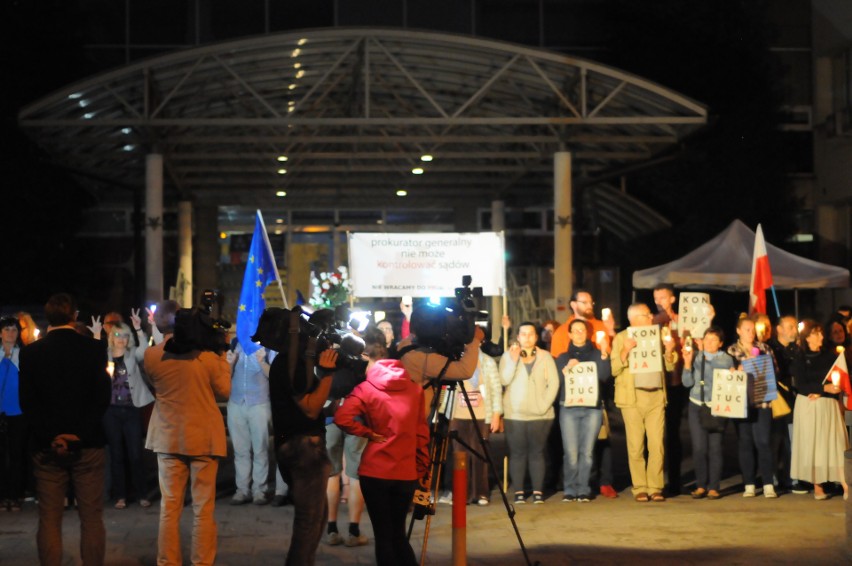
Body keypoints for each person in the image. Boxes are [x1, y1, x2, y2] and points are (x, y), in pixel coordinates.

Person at [18, 293, 112, 566]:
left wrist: (52, 436)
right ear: (75, 315)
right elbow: (100, 399)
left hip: (47, 446)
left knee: (49, 518)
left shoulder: (31, 352)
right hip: (88, 444)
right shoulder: (93, 349)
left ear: (47, 318)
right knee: (92, 517)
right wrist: (78, 434)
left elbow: (28, 402)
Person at [144, 300, 231, 566]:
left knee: (169, 508)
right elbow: (224, 391)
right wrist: (222, 353)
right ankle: (202, 562)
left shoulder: (152, 356)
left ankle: (167, 561)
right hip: (203, 438)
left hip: (168, 437)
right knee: (203, 509)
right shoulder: (207, 358)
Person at [334, 329, 429, 566]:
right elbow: (422, 434)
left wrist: (367, 433)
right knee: (398, 534)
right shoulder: (415, 389)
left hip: (375, 471)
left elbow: (342, 417)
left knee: (383, 537)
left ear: (367, 358)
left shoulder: (366, 389)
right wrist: (421, 469)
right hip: (405, 472)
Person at [268, 308, 339, 566]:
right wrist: (329, 375)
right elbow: (309, 408)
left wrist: (332, 407)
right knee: (308, 521)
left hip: (298, 444)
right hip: (303, 450)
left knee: (316, 518)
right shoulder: (290, 364)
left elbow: (311, 407)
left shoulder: (289, 362)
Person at [549, 289, 617, 498]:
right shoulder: (561, 350)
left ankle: (585, 488)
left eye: (582, 331)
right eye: (575, 331)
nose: (579, 333)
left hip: (593, 405)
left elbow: (605, 374)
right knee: (571, 453)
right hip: (568, 406)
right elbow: (556, 377)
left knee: (588, 452)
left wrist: (605, 351)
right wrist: (566, 368)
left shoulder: (597, 346)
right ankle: (570, 489)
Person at [611, 303, 677, 502]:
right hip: (632, 398)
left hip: (656, 396)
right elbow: (614, 368)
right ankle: (640, 487)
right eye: (648, 315)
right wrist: (625, 350)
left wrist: (669, 350)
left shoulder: (658, 335)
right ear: (635, 318)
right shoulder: (622, 337)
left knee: (656, 445)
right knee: (635, 445)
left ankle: (655, 487)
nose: (651, 318)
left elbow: (669, 365)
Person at [499, 321, 559, 504]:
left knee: (537, 453)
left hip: (541, 415)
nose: (527, 337)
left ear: (536, 337)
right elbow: (504, 379)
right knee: (517, 453)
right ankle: (518, 492)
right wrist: (513, 360)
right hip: (514, 414)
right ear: (517, 337)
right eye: (523, 334)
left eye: (531, 334)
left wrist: (543, 405)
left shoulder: (545, 356)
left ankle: (538, 492)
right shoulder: (507, 356)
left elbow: (554, 384)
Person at [97, 318, 154, 509]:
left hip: (131, 409)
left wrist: (139, 328)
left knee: (135, 453)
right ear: (111, 338)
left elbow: (145, 350)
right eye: (117, 335)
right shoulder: (104, 354)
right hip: (111, 410)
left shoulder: (132, 354)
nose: (120, 339)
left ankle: (142, 494)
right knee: (116, 454)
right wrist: (97, 335)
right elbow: (92, 355)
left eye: (124, 335)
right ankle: (120, 495)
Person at [790, 320, 850, 500]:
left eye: (821, 333)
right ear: (807, 337)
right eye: (816, 334)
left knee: (835, 444)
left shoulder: (831, 357)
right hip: (809, 408)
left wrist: (833, 390)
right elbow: (801, 385)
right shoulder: (800, 359)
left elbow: (838, 379)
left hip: (828, 406)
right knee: (814, 445)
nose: (821, 337)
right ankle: (818, 485)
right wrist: (823, 389)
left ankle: (846, 484)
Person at [323, 333, 369, 547]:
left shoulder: (329, 360)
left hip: (330, 418)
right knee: (355, 474)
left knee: (332, 473)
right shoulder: (362, 366)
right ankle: (354, 531)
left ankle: (331, 529)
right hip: (356, 419)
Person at [727, 316, 779, 498]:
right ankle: (748, 483)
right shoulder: (732, 351)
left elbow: (775, 371)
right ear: (739, 331)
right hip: (741, 403)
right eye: (747, 329)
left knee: (763, 442)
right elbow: (726, 375)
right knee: (745, 442)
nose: (751, 333)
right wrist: (736, 371)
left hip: (763, 401)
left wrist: (759, 365)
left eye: (753, 330)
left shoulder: (764, 349)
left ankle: (768, 483)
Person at [681, 326, 735, 500]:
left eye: (714, 340)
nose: (709, 343)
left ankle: (714, 487)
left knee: (715, 447)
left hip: (717, 406)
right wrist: (687, 364)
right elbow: (687, 383)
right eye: (706, 339)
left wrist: (700, 355)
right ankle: (701, 485)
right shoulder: (696, 356)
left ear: (720, 343)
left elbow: (713, 367)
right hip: (697, 404)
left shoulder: (725, 359)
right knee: (698, 448)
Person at [226, 340, 278, 506]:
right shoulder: (235, 343)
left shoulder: (269, 346)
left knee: (260, 449)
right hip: (236, 402)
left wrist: (263, 361)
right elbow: (224, 375)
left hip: (260, 403)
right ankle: (242, 490)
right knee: (240, 450)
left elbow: (275, 376)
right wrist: (230, 364)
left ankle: (259, 490)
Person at [651, 283, 686, 496]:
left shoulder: (682, 320)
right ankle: (653, 481)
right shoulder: (652, 321)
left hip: (676, 381)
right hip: (655, 382)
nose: (659, 302)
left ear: (672, 299)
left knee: (672, 433)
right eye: (656, 298)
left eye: (663, 298)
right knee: (653, 434)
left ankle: (674, 480)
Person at [766, 315, 799, 493]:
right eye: (790, 326)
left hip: (795, 400)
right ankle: (771, 477)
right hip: (777, 399)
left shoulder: (797, 349)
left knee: (792, 440)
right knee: (775, 439)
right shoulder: (770, 348)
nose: (794, 330)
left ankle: (790, 477)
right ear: (779, 329)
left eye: (795, 326)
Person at [0, 316, 25, 511]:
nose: (10, 333)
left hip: (18, 411)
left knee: (17, 454)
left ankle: (16, 495)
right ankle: (2, 495)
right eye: (7, 329)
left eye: (14, 329)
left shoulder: (24, 355)